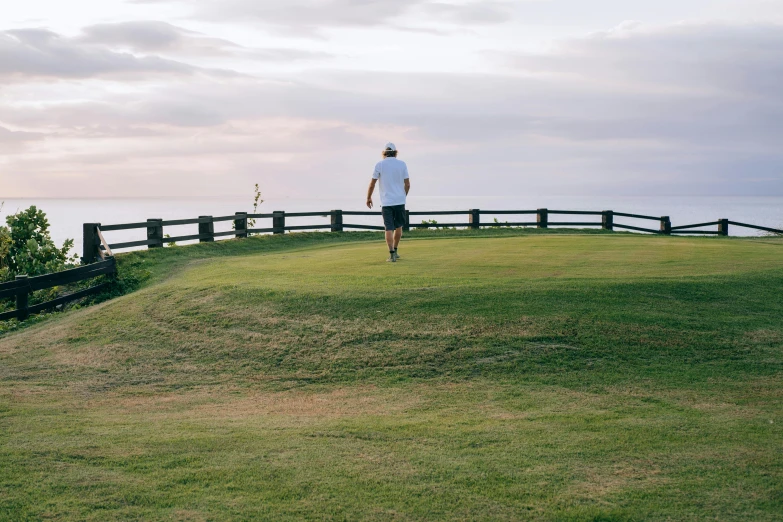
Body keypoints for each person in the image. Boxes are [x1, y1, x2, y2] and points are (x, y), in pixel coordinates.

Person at [366, 142, 410, 262]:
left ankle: (391, 255)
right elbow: (407, 184)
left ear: (384, 152)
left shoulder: (380, 164)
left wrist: (368, 197)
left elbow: (372, 183)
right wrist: (402, 196)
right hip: (399, 201)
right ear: (395, 152)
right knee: (399, 226)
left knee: (388, 228)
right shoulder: (402, 164)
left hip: (386, 202)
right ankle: (395, 250)